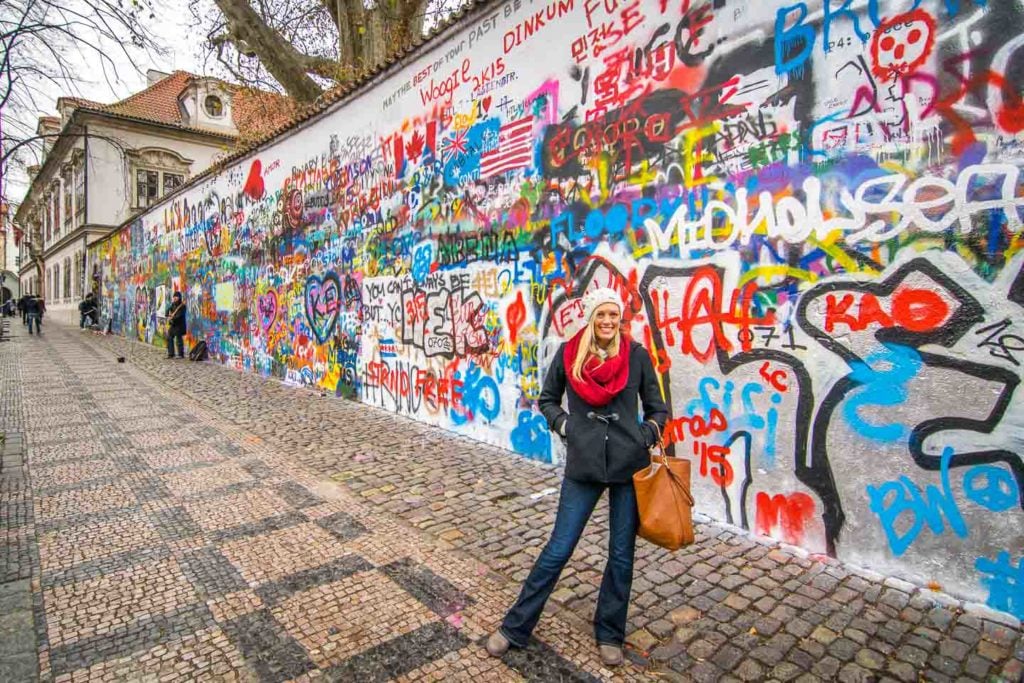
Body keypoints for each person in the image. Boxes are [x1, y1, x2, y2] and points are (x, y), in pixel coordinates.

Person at [486, 288, 668, 667]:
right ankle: (515, 626)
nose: (607, 322)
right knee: (559, 547)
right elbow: (547, 399)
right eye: (600, 315)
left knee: (621, 555)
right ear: (590, 317)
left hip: (626, 466)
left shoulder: (635, 356)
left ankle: (610, 632)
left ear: (620, 318)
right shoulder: (570, 354)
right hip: (584, 466)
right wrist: (566, 427)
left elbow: (658, 408)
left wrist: (644, 435)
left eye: (613, 316)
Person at [166, 291, 186, 358]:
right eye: (174, 296)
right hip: (174, 324)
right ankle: (171, 354)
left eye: (176, 296)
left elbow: (179, 316)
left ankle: (181, 354)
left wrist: (172, 318)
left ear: (179, 297)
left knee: (179, 339)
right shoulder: (173, 305)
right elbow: (167, 311)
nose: (175, 298)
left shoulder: (182, 306)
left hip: (180, 325)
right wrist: (168, 315)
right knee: (169, 336)